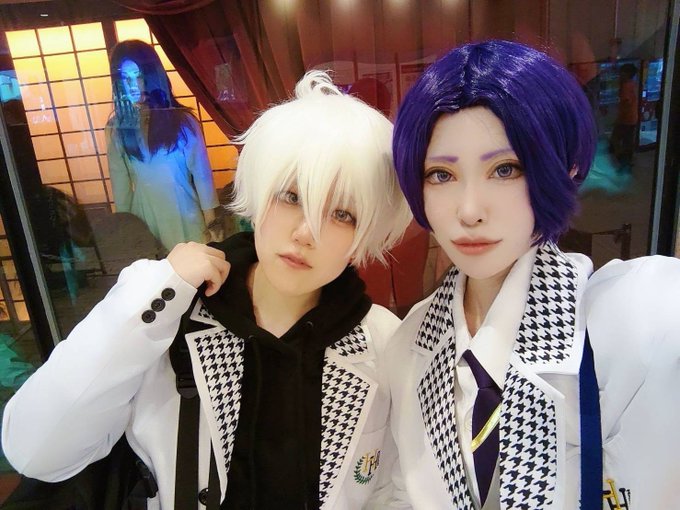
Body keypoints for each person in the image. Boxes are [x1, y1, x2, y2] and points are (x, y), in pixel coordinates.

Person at [2, 71, 412, 509]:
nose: (306, 232)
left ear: (366, 233)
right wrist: (156, 292)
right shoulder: (169, 313)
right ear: (259, 192)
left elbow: (391, 490)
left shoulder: (384, 341)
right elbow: (36, 451)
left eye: (342, 214)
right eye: (292, 197)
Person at [371, 40, 680, 509]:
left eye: (505, 169)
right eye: (441, 175)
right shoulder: (409, 347)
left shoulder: (638, 322)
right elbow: (402, 494)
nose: (469, 211)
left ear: (565, 168)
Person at [106, 39, 219, 251]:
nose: (132, 85)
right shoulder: (117, 128)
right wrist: (126, 231)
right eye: (125, 78)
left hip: (184, 213)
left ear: (151, 75)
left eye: (138, 76)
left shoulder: (182, 121)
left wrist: (212, 223)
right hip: (145, 219)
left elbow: (202, 175)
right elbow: (121, 187)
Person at [608, 63, 639, 174]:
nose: (620, 74)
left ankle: (623, 163)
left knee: (615, 139)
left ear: (626, 74)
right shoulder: (633, 84)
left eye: (622, 72)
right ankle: (628, 162)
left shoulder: (626, 86)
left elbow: (626, 103)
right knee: (628, 141)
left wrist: (618, 119)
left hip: (625, 120)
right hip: (632, 118)